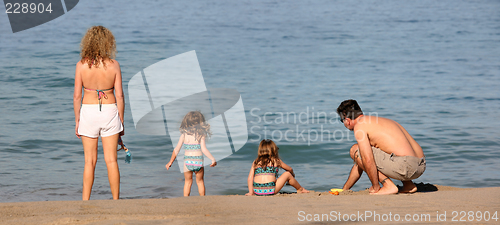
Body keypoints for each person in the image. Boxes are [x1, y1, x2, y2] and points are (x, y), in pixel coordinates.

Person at [73, 26, 124, 200]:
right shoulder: (114, 65)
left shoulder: (81, 65)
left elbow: (76, 96)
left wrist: (77, 120)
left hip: (88, 111)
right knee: (111, 160)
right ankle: (116, 200)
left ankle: (85, 201)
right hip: (110, 111)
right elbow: (120, 96)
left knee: (89, 161)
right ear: (108, 43)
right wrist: (121, 122)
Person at [337, 99, 425, 195]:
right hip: (420, 165)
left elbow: (367, 160)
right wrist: (345, 189)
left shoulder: (360, 126)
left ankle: (388, 186)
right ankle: (408, 185)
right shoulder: (378, 121)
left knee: (354, 150)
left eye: (342, 121)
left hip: (406, 166)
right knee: (361, 152)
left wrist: (375, 186)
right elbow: (360, 162)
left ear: (347, 120)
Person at [165, 111, 217, 196]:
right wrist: (212, 159)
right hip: (198, 161)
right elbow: (204, 149)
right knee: (200, 182)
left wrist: (170, 162)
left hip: (187, 162)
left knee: (188, 182)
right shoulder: (201, 134)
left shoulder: (184, 135)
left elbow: (177, 149)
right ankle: (202, 200)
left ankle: (186, 200)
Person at [245, 139, 309, 196]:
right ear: (274, 150)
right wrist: (292, 174)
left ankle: (252, 192)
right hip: (270, 190)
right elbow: (290, 169)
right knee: (287, 174)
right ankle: (300, 189)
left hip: (257, 191)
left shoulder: (255, 162)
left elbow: (250, 179)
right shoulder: (276, 161)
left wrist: (251, 192)